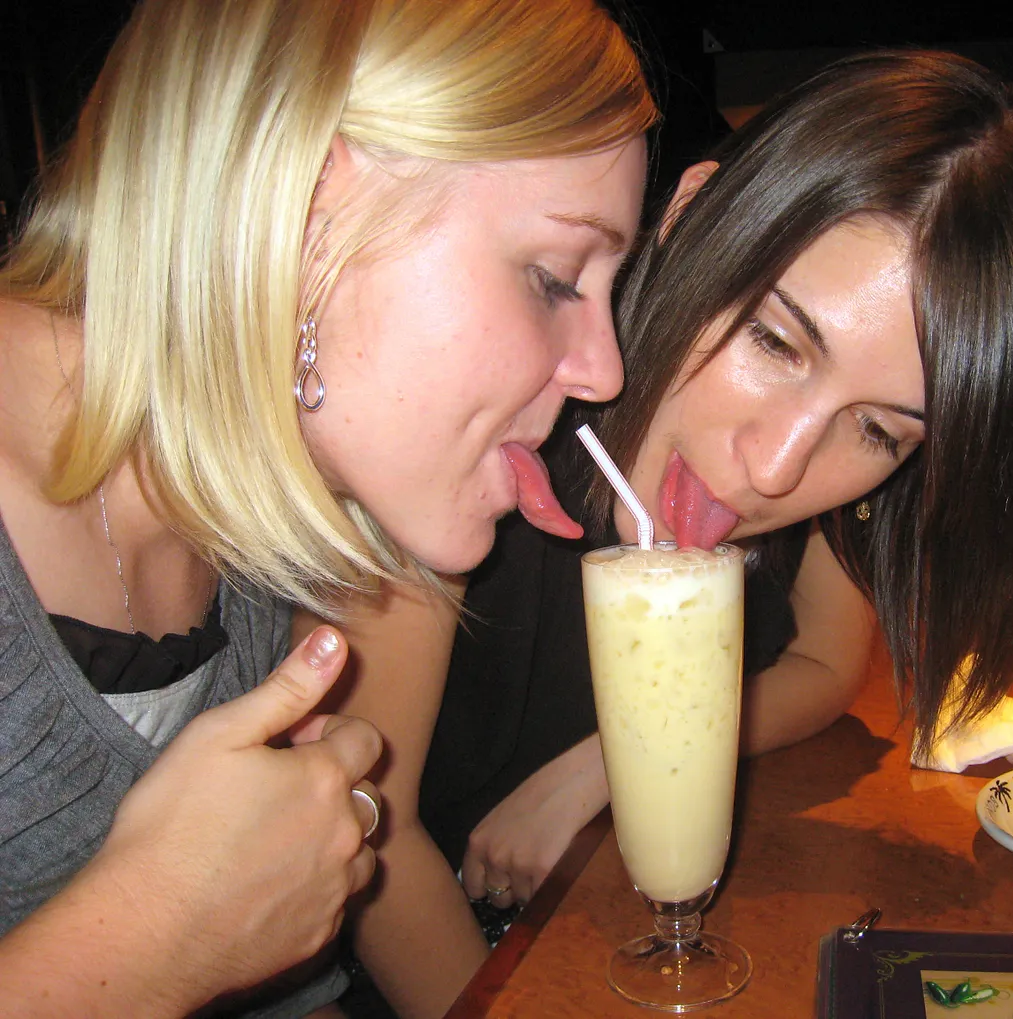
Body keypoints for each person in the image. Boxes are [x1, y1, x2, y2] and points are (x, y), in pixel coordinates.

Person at [319, 48, 1013, 1018]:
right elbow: (364, 821)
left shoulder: (806, 485)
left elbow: (824, 661)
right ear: (688, 219)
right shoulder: (471, 431)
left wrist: (618, 761)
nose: (775, 467)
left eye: (878, 428)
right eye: (774, 341)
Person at [0, 0, 654, 1015]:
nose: (600, 370)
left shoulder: (266, 517)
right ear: (307, 212)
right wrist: (149, 936)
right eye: (553, 275)